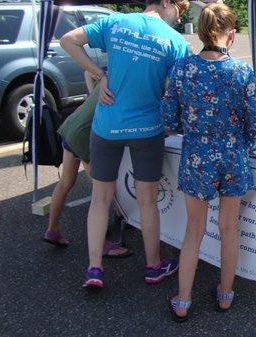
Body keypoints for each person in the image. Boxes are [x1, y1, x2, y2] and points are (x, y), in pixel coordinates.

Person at [60, 0, 190, 289]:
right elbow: (181, 88)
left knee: (100, 198)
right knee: (147, 201)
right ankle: (153, 266)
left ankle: (94, 268)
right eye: (179, 11)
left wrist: (98, 74)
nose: (178, 19)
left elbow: (68, 40)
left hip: (107, 125)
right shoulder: (174, 41)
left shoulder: (115, 22)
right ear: (166, 3)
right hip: (147, 129)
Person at [162, 3, 256, 322]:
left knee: (193, 230)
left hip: (196, 155)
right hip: (232, 155)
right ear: (230, 35)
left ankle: (182, 300)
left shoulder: (182, 69)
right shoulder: (241, 71)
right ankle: (225, 294)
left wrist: (194, 128)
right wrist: (241, 142)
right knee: (229, 227)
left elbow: (169, 117)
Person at [42, 71, 132, 259]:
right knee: (102, 191)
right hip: (86, 135)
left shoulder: (110, 75)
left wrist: (93, 92)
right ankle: (102, 244)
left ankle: (52, 230)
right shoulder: (127, 86)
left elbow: (86, 72)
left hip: (72, 127)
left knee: (66, 182)